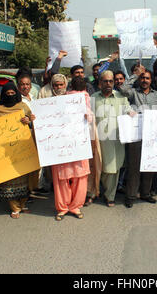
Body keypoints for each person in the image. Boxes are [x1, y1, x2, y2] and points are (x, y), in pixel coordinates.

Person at [118, 69, 157, 208]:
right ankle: (131, 196)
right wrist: (134, 75)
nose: (145, 80)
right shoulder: (133, 93)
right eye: (143, 78)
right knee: (133, 167)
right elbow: (122, 88)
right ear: (140, 79)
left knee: (149, 166)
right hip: (136, 136)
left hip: (152, 137)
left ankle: (145, 194)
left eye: (147, 78)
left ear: (152, 80)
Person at [0, 82, 36, 218]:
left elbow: (33, 120)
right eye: (7, 94)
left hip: (22, 149)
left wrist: (29, 119)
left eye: (12, 93)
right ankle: (14, 207)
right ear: (3, 95)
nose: (10, 96)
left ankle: (23, 204)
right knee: (9, 178)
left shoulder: (23, 107)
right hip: (5, 151)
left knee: (24, 175)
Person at [92, 71, 135, 206]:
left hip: (115, 140)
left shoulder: (120, 97)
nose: (109, 84)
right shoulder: (93, 98)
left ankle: (110, 196)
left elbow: (128, 108)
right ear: (100, 83)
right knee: (99, 167)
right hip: (98, 140)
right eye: (105, 81)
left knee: (113, 169)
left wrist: (131, 113)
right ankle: (94, 192)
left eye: (111, 81)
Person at [53, 78, 91, 221]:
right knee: (61, 177)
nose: (59, 86)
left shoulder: (85, 99)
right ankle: (62, 208)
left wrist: (88, 116)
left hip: (79, 145)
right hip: (61, 145)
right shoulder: (58, 100)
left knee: (80, 176)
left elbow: (90, 118)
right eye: (56, 84)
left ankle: (75, 206)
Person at [68, 76, 102, 207]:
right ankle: (83, 196)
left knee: (72, 171)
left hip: (70, 142)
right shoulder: (86, 97)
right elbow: (89, 119)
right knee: (84, 170)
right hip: (85, 141)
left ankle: (72, 197)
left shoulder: (65, 99)